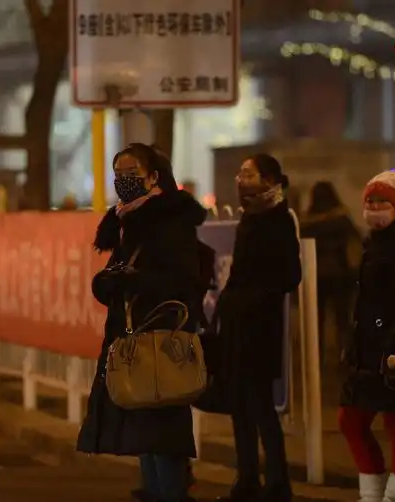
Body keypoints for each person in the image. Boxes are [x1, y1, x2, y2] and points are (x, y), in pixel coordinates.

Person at [77, 143, 207, 502]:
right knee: (144, 428)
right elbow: (120, 273)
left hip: (162, 339)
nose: (124, 180)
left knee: (161, 429)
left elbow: (182, 279)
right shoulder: (127, 221)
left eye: (132, 173)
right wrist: (109, 283)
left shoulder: (168, 221)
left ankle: (171, 493)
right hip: (133, 337)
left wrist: (133, 281)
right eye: (118, 174)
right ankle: (156, 491)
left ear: (153, 177)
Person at [338, 171, 395, 502]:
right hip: (369, 345)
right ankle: (373, 495)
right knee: (352, 420)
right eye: (371, 200)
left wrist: (393, 346)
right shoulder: (374, 242)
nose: (375, 207)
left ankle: (393, 497)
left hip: (394, 347)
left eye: (383, 201)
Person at [214, 154, 301, 502]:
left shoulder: (279, 220)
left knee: (261, 407)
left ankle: (278, 483)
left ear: (269, 180)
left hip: (260, 328)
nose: (241, 180)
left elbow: (290, 276)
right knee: (239, 406)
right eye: (240, 174)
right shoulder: (249, 217)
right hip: (237, 326)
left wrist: (251, 298)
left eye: (248, 174)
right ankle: (247, 479)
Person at [301, 181, 361, 365]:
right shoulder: (341, 219)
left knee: (315, 321)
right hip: (341, 274)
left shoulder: (308, 222)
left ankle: (315, 359)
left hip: (315, 276)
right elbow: (356, 239)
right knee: (343, 320)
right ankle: (345, 358)